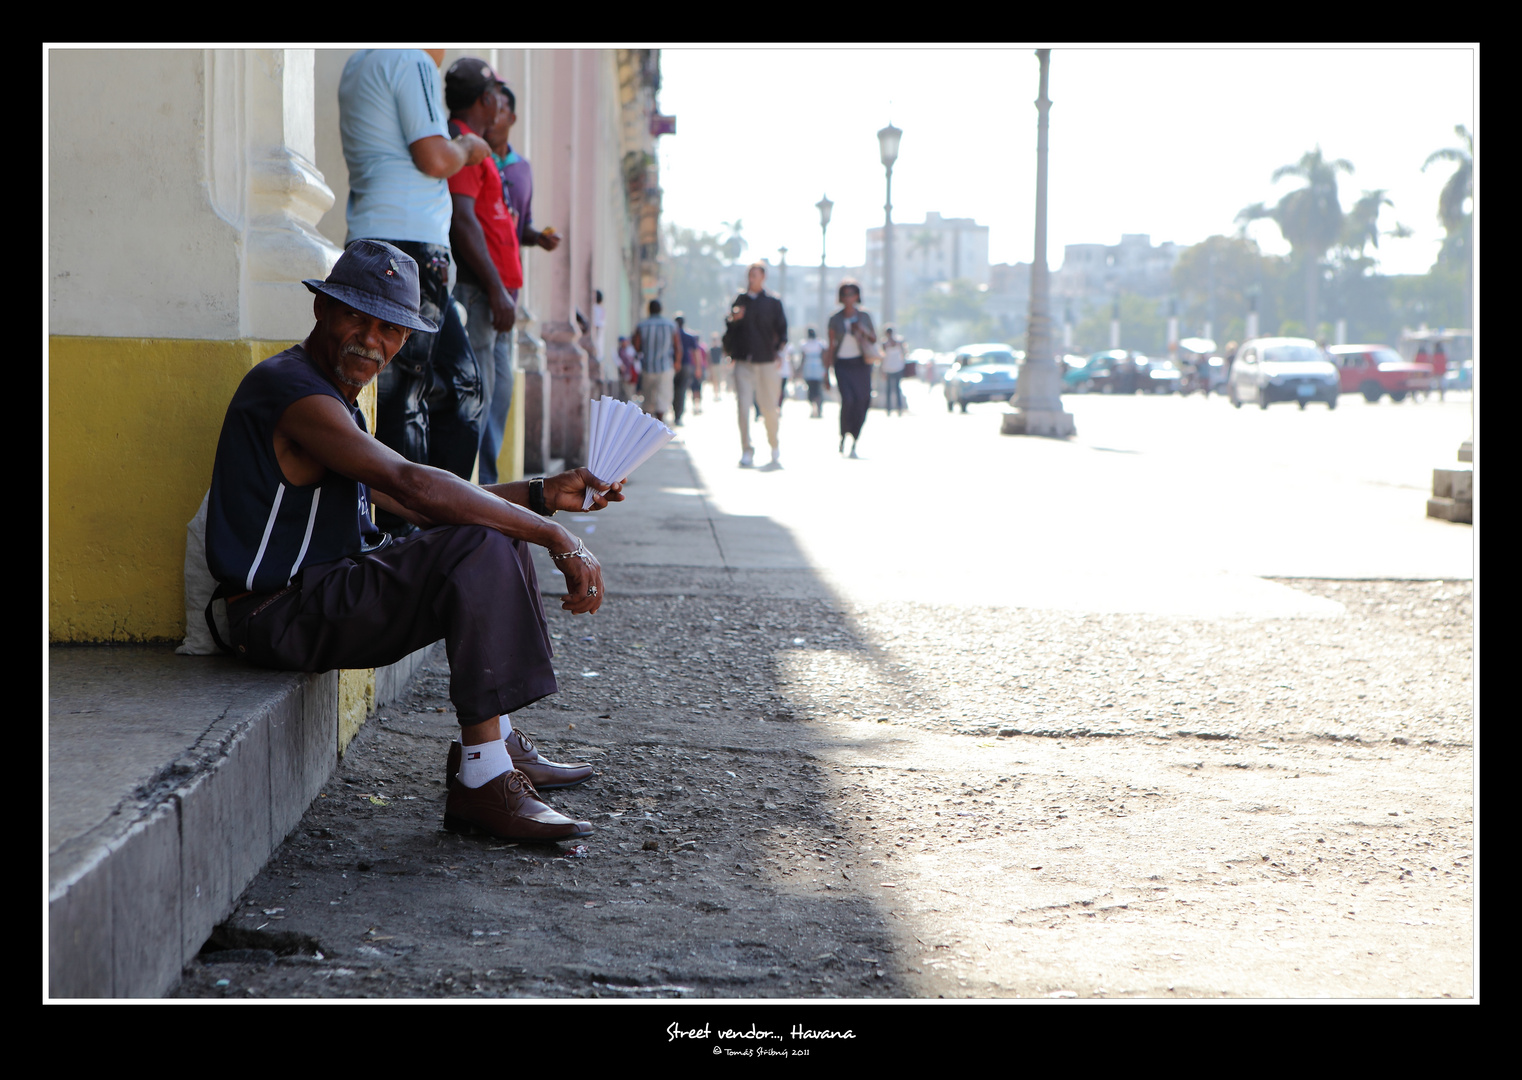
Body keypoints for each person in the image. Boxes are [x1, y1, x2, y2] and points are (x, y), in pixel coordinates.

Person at [205, 240, 625, 842]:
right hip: (273, 613)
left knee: (490, 533)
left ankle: (498, 744)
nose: (372, 340)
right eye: (356, 316)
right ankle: (482, 778)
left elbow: (405, 500)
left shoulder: (336, 400)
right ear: (322, 310)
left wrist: (540, 493)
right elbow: (412, 484)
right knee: (481, 542)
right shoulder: (292, 391)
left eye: (391, 328)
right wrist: (553, 533)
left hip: (317, 597)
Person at [338, 50, 493, 514]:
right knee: (411, 394)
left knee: (448, 386)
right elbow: (433, 156)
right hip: (412, 245)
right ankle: (419, 529)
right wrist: (467, 147)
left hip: (374, 236)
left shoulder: (358, 63)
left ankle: (435, 519)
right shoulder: (412, 60)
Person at [477, 81, 562, 486]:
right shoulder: (472, 156)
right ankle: (473, 484)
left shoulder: (521, 168)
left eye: (499, 110)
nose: (492, 117)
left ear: (510, 117)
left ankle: (489, 484)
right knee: (477, 385)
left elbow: (518, 224)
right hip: (476, 286)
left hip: (508, 292)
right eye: (487, 107)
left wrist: (537, 237)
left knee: (501, 388)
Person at [443, 59, 520, 489]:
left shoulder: (474, 143)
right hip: (480, 292)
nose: (499, 102)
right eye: (494, 93)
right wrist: (494, 288)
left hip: (495, 294)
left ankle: (486, 489)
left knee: (497, 396)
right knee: (482, 396)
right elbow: (464, 220)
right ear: (484, 99)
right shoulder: (464, 143)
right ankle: (480, 492)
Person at [725, 262, 789, 468]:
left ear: (763, 277)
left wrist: (779, 351)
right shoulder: (739, 300)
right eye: (749, 275)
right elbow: (729, 328)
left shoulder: (773, 302)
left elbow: (783, 330)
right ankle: (747, 450)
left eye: (755, 274)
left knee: (769, 407)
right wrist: (734, 319)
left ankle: (774, 444)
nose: (751, 278)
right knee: (743, 407)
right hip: (743, 361)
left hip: (767, 362)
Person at [826, 280, 876, 458]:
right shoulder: (835, 319)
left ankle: (855, 437)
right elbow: (831, 347)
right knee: (848, 400)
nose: (848, 298)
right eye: (845, 294)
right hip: (842, 364)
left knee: (863, 400)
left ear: (857, 296)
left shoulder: (864, 316)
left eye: (851, 294)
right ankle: (843, 435)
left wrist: (860, 329)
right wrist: (826, 372)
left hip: (861, 364)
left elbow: (873, 339)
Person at [632, 299, 682, 421]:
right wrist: (677, 362)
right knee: (663, 396)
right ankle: (660, 422)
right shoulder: (670, 325)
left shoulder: (642, 325)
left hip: (648, 367)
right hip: (665, 367)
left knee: (648, 397)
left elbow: (636, 345)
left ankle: (648, 424)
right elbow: (677, 346)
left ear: (649, 310)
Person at [673, 314, 702, 427]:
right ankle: (678, 416)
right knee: (681, 391)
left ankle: (674, 412)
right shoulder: (689, 336)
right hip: (686, 366)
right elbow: (696, 353)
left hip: (673, 366)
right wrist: (698, 368)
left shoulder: (672, 335)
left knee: (673, 390)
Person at [799, 328, 827, 418]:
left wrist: (799, 370)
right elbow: (824, 357)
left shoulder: (805, 344)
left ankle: (814, 408)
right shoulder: (820, 343)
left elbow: (803, 359)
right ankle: (818, 408)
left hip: (809, 370)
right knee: (818, 389)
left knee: (811, 389)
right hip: (818, 369)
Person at [881, 327, 907, 415]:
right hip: (889, 368)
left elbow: (904, 353)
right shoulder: (885, 344)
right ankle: (889, 409)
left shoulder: (899, 342)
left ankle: (898, 408)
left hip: (897, 368)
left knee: (896, 388)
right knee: (890, 389)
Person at [616, 335, 640, 403]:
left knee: (630, 391)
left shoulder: (630, 350)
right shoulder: (621, 351)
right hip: (625, 374)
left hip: (631, 374)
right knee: (626, 391)